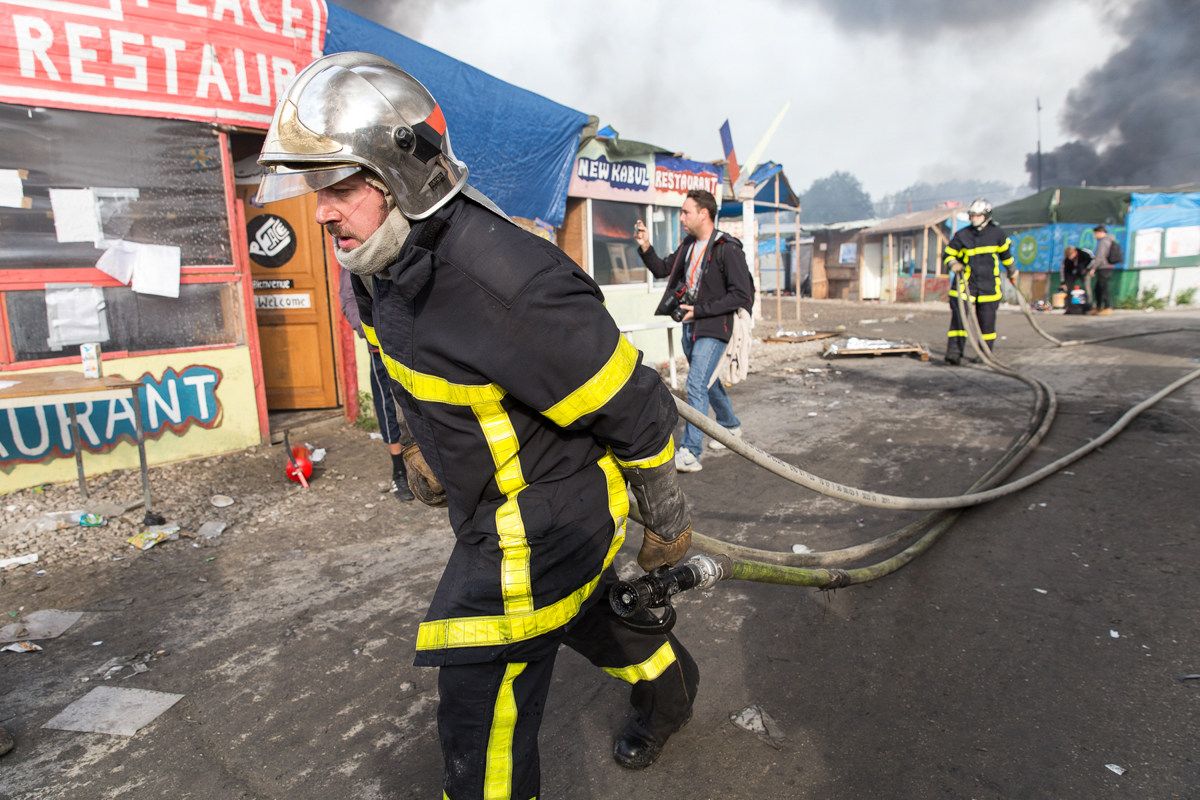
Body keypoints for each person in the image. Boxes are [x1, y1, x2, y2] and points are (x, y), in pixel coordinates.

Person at [256, 53, 699, 798]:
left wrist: (665, 515)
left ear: (402, 173)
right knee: (595, 622)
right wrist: (410, 447)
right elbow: (392, 363)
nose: (321, 210)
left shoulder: (509, 283)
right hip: (493, 508)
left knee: (477, 711)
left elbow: (636, 404)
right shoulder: (375, 267)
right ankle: (672, 685)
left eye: (338, 187)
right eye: (315, 189)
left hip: (543, 522)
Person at [634, 189, 754, 472]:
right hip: (690, 326)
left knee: (696, 383)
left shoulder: (727, 247)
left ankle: (690, 451)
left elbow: (741, 295)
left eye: (686, 212)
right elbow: (663, 269)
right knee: (707, 381)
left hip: (714, 326)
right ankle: (729, 425)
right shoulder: (688, 245)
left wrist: (700, 310)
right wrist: (645, 245)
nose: (682, 217)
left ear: (704, 213)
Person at [337, 266, 414, 502]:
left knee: (420, 400)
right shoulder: (353, 257)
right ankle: (399, 472)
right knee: (388, 404)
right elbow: (349, 298)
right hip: (379, 345)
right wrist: (367, 329)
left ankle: (428, 466)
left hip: (412, 340)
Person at [942, 198, 1016, 365]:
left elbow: (1006, 256)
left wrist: (1012, 272)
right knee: (959, 320)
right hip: (965, 284)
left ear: (986, 216)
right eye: (972, 215)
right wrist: (953, 263)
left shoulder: (997, 234)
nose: (974, 218)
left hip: (988, 285)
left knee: (987, 322)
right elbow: (948, 254)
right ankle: (954, 352)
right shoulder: (963, 235)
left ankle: (985, 353)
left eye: (977, 215)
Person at [1088, 224, 1118, 315]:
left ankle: (1107, 307)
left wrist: (1093, 268)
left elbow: (1100, 257)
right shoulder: (1110, 240)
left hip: (1104, 267)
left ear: (1101, 232)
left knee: (1103, 287)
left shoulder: (1104, 242)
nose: (1094, 236)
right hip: (1108, 267)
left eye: (1096, 233)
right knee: (1098, 288)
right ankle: (1098, 307)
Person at [1061, 245, 1092, 314]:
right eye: (1069, 257)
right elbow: (1064, 270)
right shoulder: (1067, 260)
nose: (1070, 258)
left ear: (1075, 252)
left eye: (1071, 256)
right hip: (1072, 273)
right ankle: (1068, 306)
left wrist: (1088, 269)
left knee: (1087, 288)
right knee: (1069, 288)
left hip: (1084, 271)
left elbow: (1093, 260)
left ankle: (1089, 307)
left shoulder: (1083, 253)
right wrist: (1063, 282)